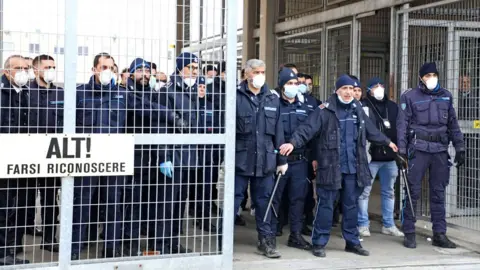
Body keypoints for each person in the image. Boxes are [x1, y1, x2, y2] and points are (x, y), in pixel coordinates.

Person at [279, 74, 398, 258]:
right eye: (345, 89)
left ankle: (352, 242)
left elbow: (370, 130)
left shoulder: (357, 108)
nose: (349, 92)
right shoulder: (325, 110)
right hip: (331, 167)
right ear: (337, 91)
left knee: (350, 206)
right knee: (326, 205)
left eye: (351, 89)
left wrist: (387, 142)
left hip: (352, 167)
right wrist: (292, 143)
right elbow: (307, 129)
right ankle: (319, 242)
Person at [397, 62, 465, 249]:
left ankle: (439, 234)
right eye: (427, 75)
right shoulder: (409, 96)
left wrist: (460, 146)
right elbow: (402, 125)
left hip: (440, 150)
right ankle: (409, 231)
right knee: (412, 191)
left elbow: (453, 123)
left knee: (438, 193)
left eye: (434, 75)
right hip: (418, 149)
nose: (431, 78)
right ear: (421, 78)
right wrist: (401, 151)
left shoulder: (446, 96)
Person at [235, 59, 288, 258]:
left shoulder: (272, 98)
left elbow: (279, 132)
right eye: (256, 71)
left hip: (266, 160)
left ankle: (266, 241)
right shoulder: (235, 96)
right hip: (241, 159)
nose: (259, 75)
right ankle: (223, 242)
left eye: (263, 71)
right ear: (246, 74)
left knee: (265, 202)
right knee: (234, 200)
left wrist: (282, 160)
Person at [156, 52, 202, 254]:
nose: (193, 72)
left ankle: (173, 242)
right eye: (190, 67)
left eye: (196, 68)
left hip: (189, 157)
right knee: (166, 204)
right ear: (180, 68)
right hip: (173, 157)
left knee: (179, 205)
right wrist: (164, 157)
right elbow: (161, 128)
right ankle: (160, 244)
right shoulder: (168, 92)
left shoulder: (195, 93)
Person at [270, 68, 312, 250]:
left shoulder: (303, 107)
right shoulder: (274, 105)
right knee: (274, 198)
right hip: (278, 161)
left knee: (298, 199)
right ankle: (270, 234)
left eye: (295, 84)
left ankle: (295, 235)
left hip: (299, 160)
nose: (293, 87)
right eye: (289, 84)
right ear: (281, 86)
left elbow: (310, 133)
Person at [357, 77, 404, 238]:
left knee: (389, 192)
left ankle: (389, 224)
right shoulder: (363, 106)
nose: (379, 89)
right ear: (369, 89)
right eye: (375, 86)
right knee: (364, 192)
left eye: (381, 86)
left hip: (390, 157)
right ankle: (363, 224)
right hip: (371, 157)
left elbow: (399, 127)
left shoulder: (392, 106)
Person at [29, 54, 64, 252]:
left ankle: (49, 239)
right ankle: (15, 244)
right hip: (29, 153)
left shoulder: (61, 94)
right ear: (35, 70)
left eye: (53, 66)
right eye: (47, 66)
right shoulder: (26, 93)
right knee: (24, 199)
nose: (51, 70)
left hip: (52, 154)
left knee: (51, 199)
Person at [0, 55, 31, 265]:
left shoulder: (24, 92)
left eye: (25, 68)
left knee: (11, 208)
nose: (23, 72)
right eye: (18, 68)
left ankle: (8, 251)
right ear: (6, 71)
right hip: (4, 156)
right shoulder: (2, 93)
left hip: (18, 159)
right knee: (3, 209)